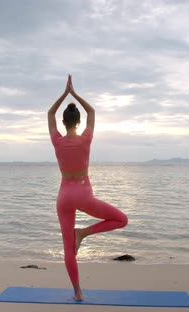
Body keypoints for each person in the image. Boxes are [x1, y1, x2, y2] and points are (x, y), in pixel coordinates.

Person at [47, 75, 128, 301]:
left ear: (63, 123)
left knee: (67, 248)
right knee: (121, 220)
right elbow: (92, 112)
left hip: (64, 197)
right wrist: (75, 94)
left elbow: (49, 114)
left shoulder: (57, 140)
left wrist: (64, 94)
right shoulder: (86, 138)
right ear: (79, 123)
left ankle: (77, 292)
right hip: (83, 195)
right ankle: (83, 233)